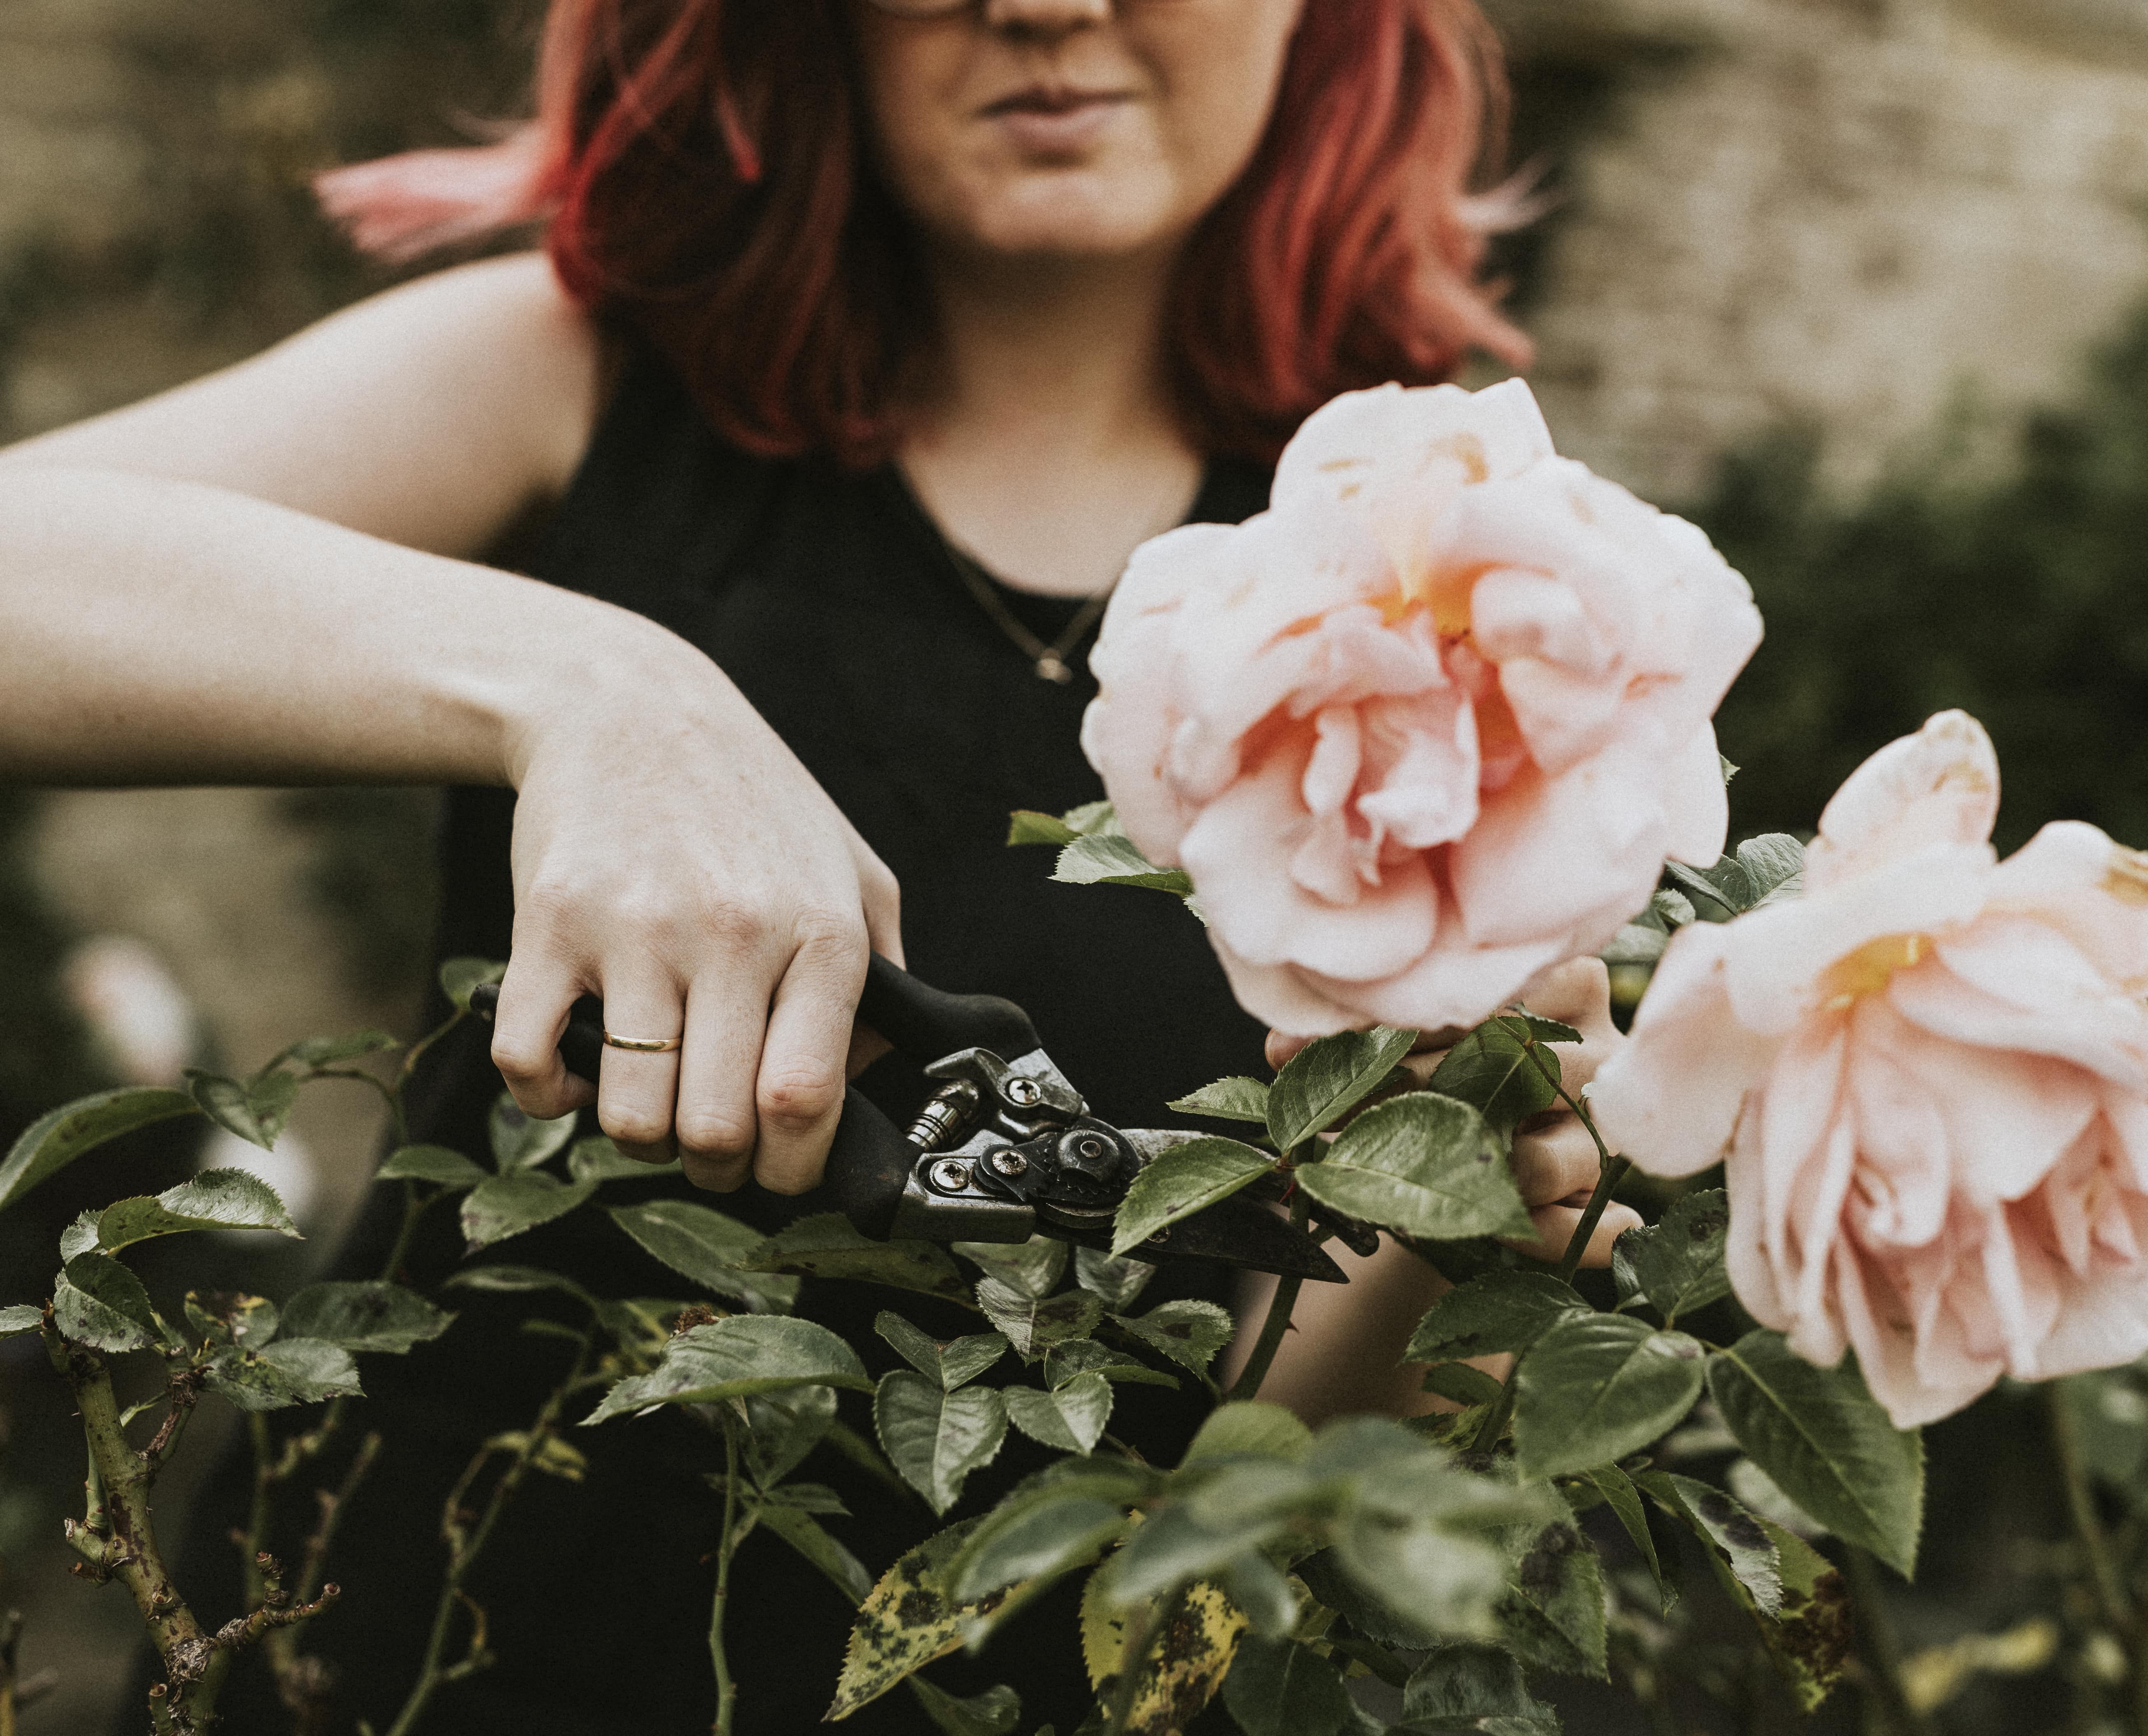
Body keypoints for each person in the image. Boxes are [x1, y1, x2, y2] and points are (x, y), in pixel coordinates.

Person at [0, 1, 1634, 1728]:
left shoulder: (1438, 569)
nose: (1045, 5)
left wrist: (1449, 1223)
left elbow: (1255, 1476)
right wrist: (593, 686)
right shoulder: (579, 379)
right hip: (422, 1648)